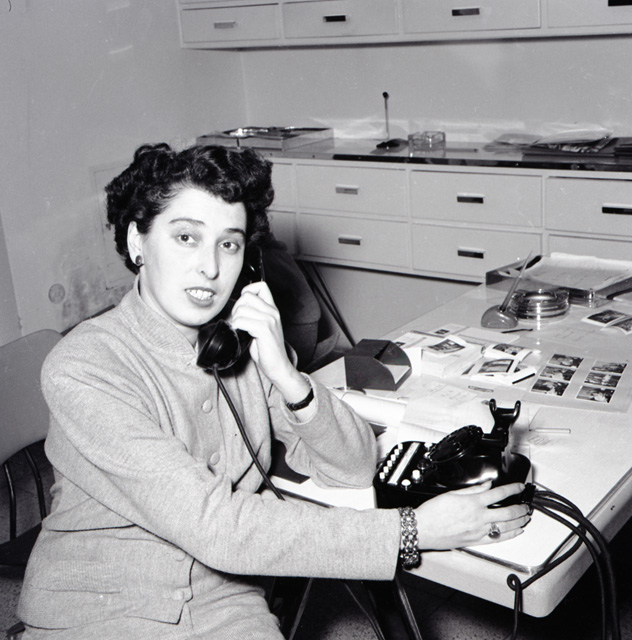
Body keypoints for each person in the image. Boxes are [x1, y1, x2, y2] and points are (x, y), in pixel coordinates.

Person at [18, 143, 530, 639]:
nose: (211, 268)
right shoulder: (85, 366)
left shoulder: (234, 344)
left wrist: (287, 375)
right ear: (137, 242)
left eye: (229, 244)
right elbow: (217, 527)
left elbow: (351, 467)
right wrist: (412, 530)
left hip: (226, 599)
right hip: (103, 608)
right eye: (186, 237)